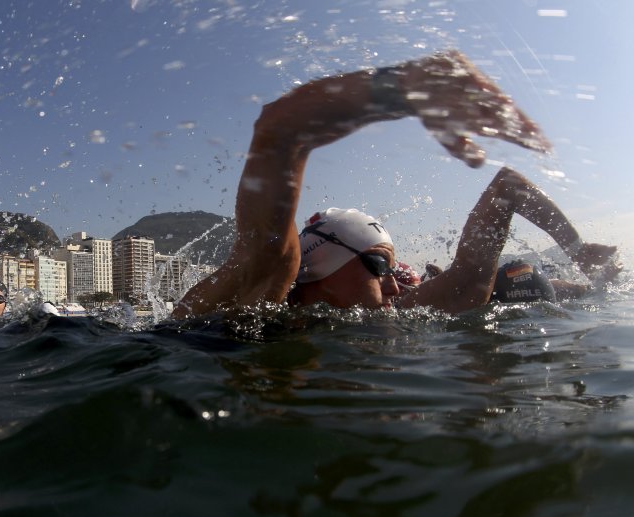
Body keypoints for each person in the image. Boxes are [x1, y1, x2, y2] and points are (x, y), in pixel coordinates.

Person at [172, 49, 553, 318]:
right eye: (378, 265)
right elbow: (281, 130)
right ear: (320, 263)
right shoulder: (254, 298)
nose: (394, 286)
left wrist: (578, 249)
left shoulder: (389, 314)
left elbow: (471, 274)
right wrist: (404, 87)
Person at [394, 167, 620, 306]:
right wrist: (579, 252)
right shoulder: (463, 290)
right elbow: (508, 184)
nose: (392, 286)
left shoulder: (457, 294)